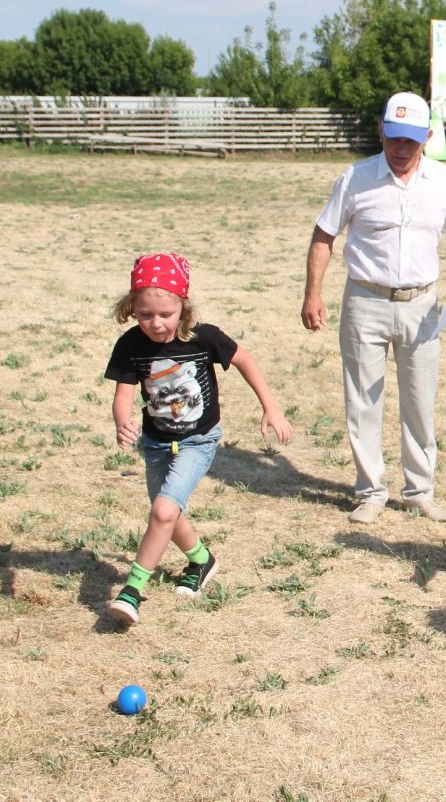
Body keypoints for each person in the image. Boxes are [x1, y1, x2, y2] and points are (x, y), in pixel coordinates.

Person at [303, 92, 446, 524]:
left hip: (421, 305)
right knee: (362, 399)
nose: (401, 149)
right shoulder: (355, 178)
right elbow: (324, 234)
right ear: (381, 131)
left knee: (420, 400)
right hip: (364, 301)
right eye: (394, 138)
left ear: (428, 137)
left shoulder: (444, 182)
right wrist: (313, 292)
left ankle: (420, 489)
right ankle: (370, 491)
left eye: (411, 140)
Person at [104, 254, 293, 625]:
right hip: (156, 443)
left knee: (162, 511)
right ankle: (202, 560)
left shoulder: (204, 338)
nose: (155, 324)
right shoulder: (130, 345)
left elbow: (245, 360)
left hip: (198, 440)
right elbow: (123, 396)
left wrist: (271, 407)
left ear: (183, 308)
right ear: (131, 309)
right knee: (169, 516)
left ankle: (133, 590)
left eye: (165, 314)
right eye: (145, 315)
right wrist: (122, 421)